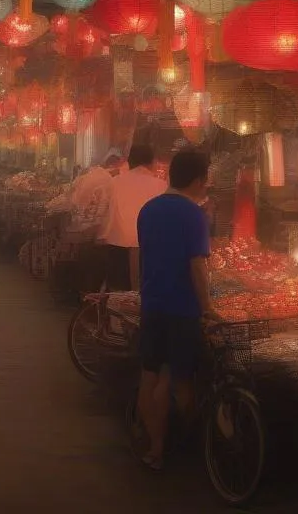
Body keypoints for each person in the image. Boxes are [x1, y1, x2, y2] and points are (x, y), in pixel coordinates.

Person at [135, 150, 215, 470]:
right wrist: (208, 308)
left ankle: (155, 448)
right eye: (206, 180)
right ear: (197, 181)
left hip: (152, 303)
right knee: (181, 382)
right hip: (182, 309)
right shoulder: (194, 215)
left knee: (150, 376)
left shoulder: (148, 210)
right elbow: (197, 268)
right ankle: (189, 445)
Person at [100, 144, 165, 291]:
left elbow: (105, 212)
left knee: (118, 293)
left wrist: (102, 235)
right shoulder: (161, 185)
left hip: (117, 245)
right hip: (149, 248)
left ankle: (115, 314)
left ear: (129, 162)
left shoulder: (115, 182)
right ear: (151, 162)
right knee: (145, 291)